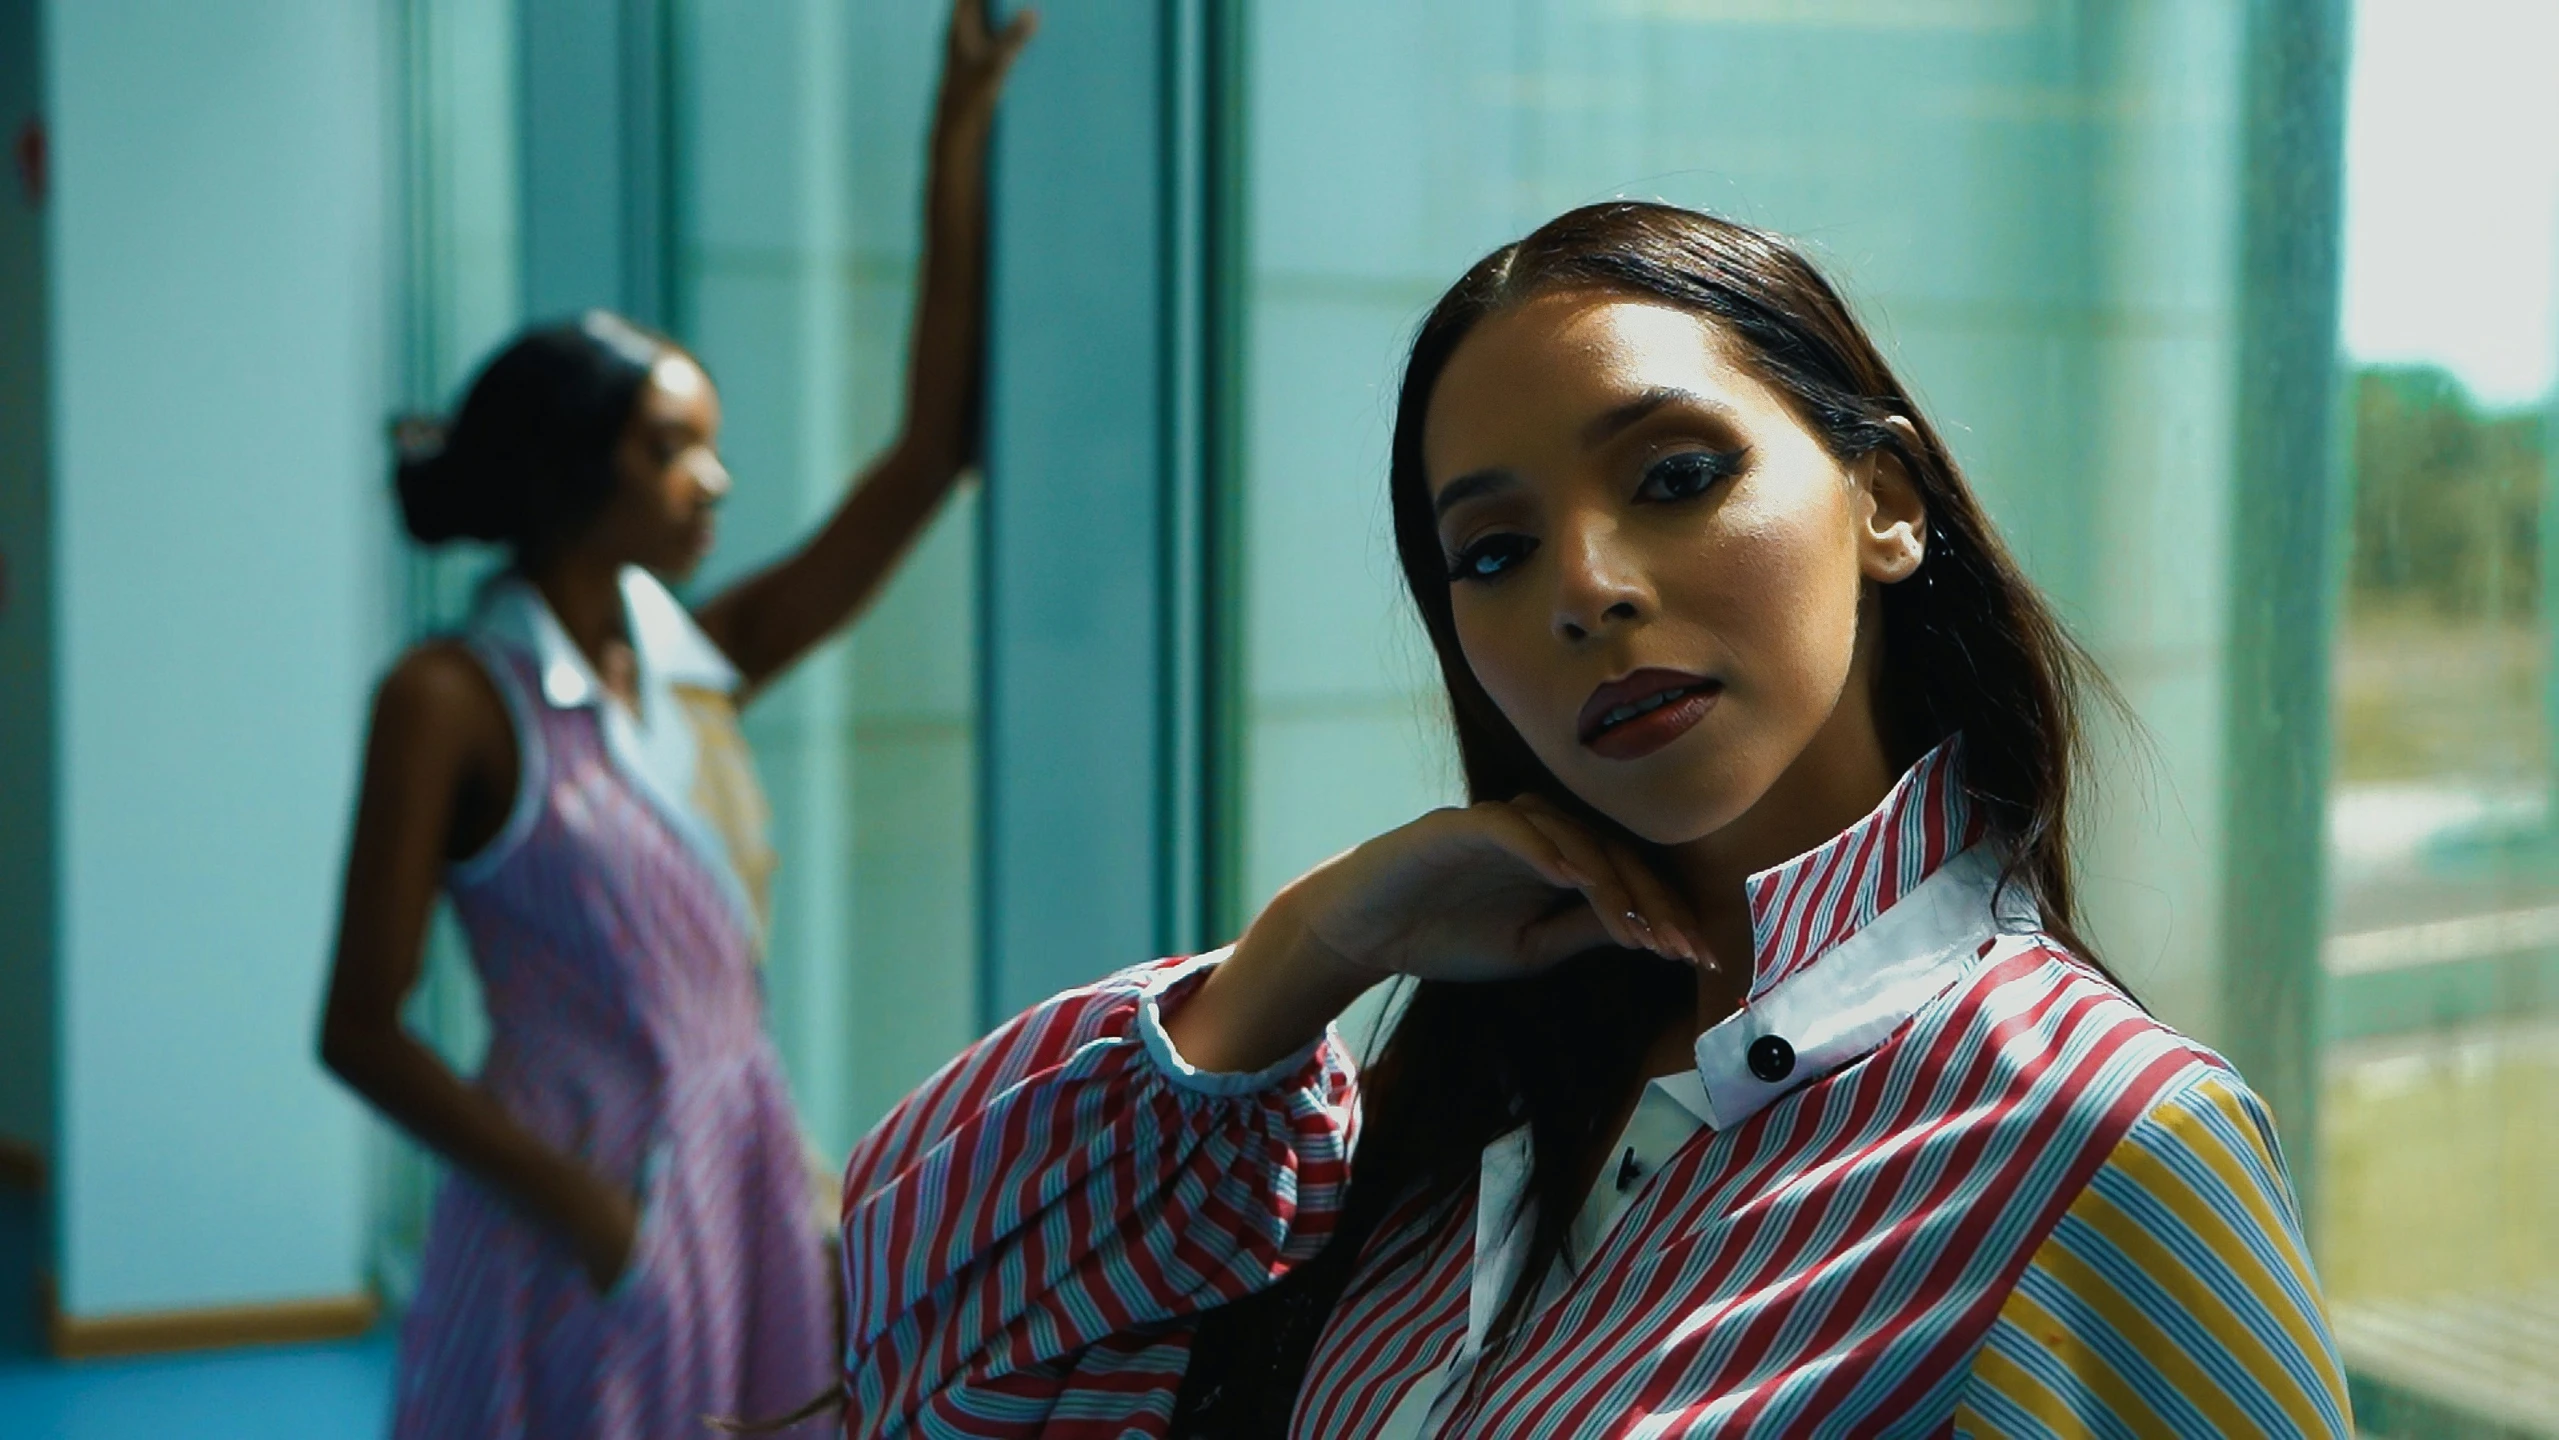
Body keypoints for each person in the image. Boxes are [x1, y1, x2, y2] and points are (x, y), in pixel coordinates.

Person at [833, 203, 2355, 1437]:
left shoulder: (2099, 1144)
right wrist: (1310, 948)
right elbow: (924, 1374)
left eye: (1675, 477)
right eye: (1490, 553)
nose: (1582, 589)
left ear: (1884, 501)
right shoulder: (1470, 1098)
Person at [316, 5, 1033, 1435]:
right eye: (671, 447)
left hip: (738, 1171)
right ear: (572, 468)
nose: (714, 479)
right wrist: (581, 1207)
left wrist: (952, 138)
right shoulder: (450, 700)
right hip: (565, 1206)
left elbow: (923, 461)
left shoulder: (685, 662)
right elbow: (360, 1027)